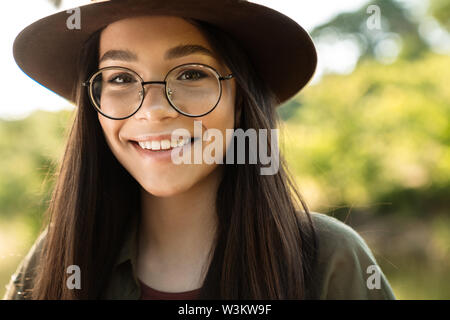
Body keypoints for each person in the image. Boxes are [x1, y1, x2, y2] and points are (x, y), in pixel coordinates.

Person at [4, 0, 395, 300]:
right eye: (121, 77)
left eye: (191, 73)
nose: (153, 110)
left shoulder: (329, 260)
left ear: (240, 97)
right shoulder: (60, 255)